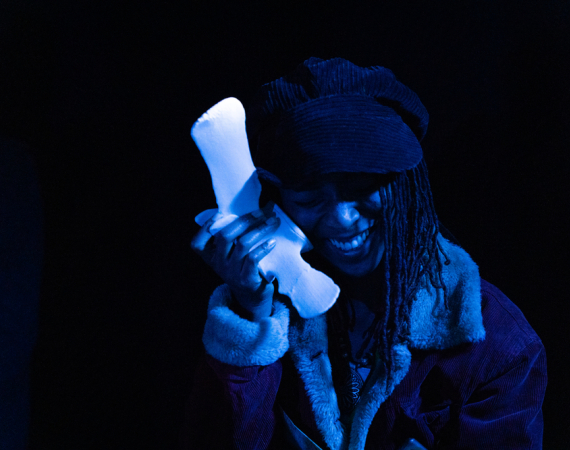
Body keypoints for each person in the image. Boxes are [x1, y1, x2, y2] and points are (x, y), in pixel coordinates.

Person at [182, 58, 547, 450]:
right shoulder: (266, 305)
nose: (342, 219)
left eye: (360, 187)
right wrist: (250, 316)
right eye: (309, 197)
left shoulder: (500, 346)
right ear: (279, 199)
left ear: (406, 186)